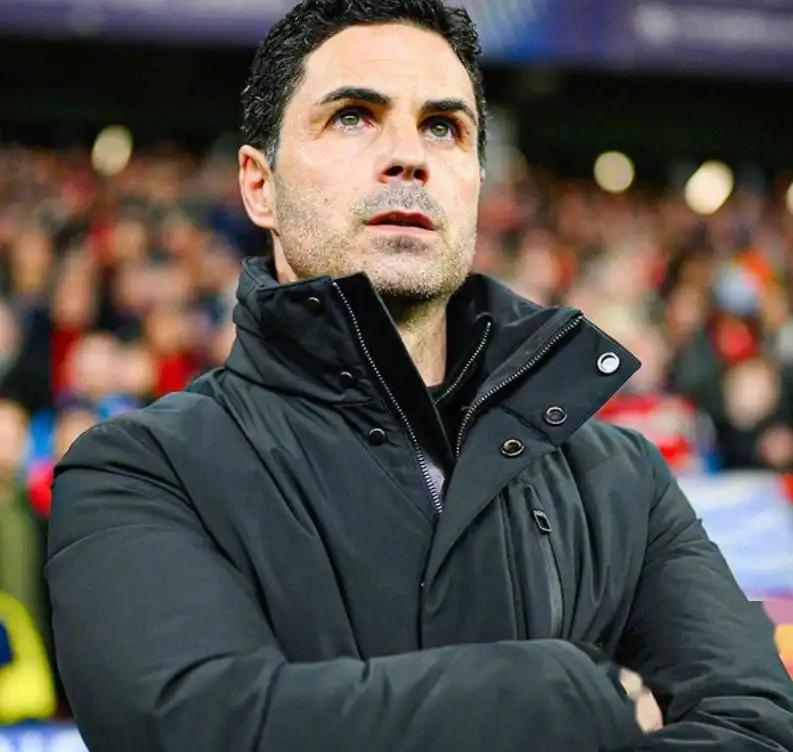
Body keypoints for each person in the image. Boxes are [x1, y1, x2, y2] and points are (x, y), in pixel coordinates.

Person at [46, 1, 793, 750]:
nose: (408, 156)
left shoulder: (620, 478)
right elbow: (205, 729)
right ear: (259, 186)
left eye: (443, 127)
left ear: (476, 183)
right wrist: (563, 695)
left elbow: (757, 730)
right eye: (352, 117)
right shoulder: (142, 472)